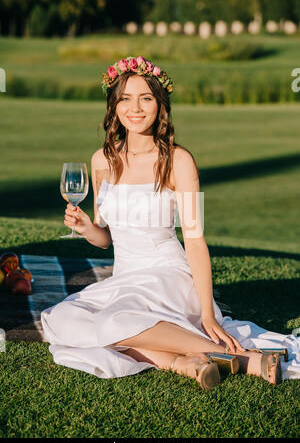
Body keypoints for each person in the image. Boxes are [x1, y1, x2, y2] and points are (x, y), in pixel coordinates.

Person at [41, 56, 300, 389]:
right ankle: (184, 362)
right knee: (61, 319)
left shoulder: (178, 160)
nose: (135, 108)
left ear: (159, 105)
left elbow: (194, 240)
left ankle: (247, 359)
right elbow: (107, 238)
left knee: (110, 323)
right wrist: (86, 228)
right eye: (125, 98)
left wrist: (207, 313)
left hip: (167, 276)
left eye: (145, 98)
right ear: (114, 106)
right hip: (125, 279)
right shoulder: (101, 160)